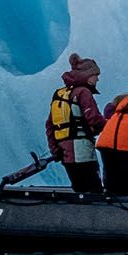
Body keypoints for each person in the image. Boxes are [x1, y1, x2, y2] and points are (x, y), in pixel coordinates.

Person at [45, 56, 105, 194]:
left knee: (79, 190)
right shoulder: (83, 92)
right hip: (83, 153)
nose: (97, 79)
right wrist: (112, 123)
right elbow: (94, 120)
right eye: (96, 75)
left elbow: (50, 125)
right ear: (88, 76)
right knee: (94, 192)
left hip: (66, 155)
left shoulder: (61, 94)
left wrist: (55, 149)